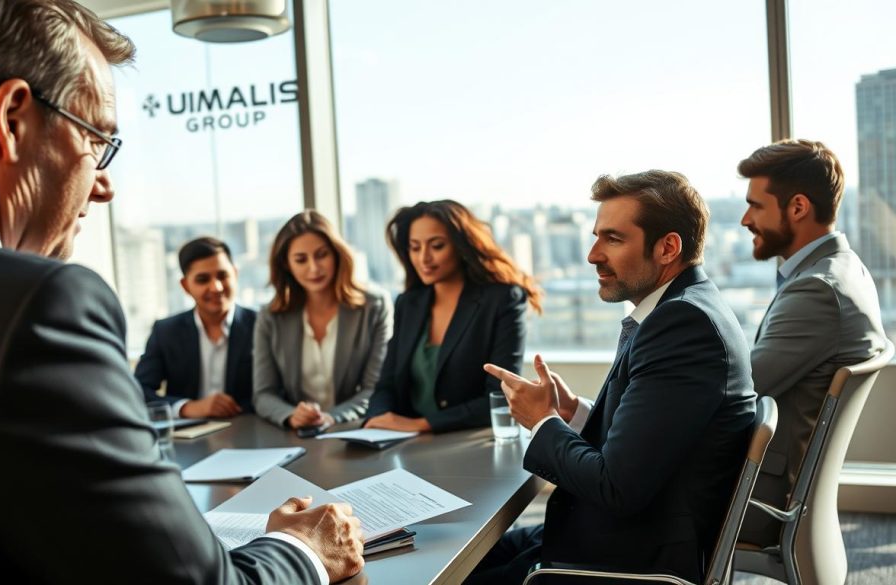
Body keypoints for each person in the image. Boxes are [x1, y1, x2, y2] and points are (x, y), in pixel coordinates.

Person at [0, 1, 363, 583]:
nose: (103, 186)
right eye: (97, 140)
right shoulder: (36, 308)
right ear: (11, 119)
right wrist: (301, 549)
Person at [474, 171, 756, 583]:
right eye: (596, 236)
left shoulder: (682, 324)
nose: (592, 254)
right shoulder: (682, 307)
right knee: (467, 556)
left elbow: (616, 487)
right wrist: (573, 413)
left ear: (667, 248)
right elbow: (648, 443)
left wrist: (542, 421)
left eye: (613, 239)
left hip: (626, 560)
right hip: (618, 535)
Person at [735, 139, 886, 545]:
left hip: (760, 503)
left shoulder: (817, 291)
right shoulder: (845, 269)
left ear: (798, 207)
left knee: (621, 493)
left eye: (756, 205)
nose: (746, 219)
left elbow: (738, 393)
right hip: (786, 491)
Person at [364, 199, 541, 433]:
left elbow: (498, 396)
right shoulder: (409, 303)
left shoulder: (503, 299)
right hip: (405, 442)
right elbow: (386, 385)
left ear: (461, 245)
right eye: (415, 247)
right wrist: (377, 420)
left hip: (467, 441)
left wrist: (421, 425)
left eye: (436, 246)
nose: (423, 258)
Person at [253, 210, 392, 430]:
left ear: (337, 254)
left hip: (355, 430)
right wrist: (291, 415)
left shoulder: (374, 306)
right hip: (296, 435)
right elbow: (263, 393)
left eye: (321, 255)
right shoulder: (271, 315)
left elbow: (374, 389)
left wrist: (332, 417)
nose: (314, 268)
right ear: (287, 264)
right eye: (301, 259)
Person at [134, 237, 255, 419]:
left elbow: (276, 392)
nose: (216, 287)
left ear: (235, 275)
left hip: (249, 429)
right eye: (202, 279)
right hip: (188, 436)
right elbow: (138, 390)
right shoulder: (166, 331)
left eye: (223, 275)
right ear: (185, 286)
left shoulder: (260, 326)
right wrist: (186, 407)